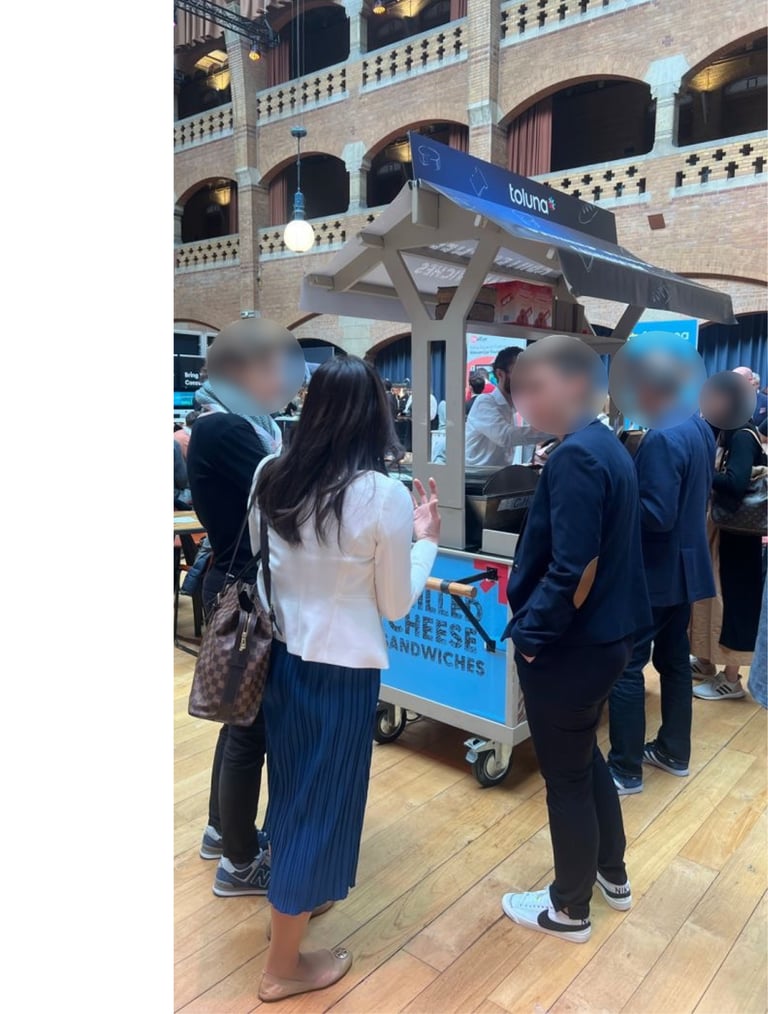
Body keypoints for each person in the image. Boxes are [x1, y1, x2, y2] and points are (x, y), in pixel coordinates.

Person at [252, 355, 440, 1000]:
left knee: (293, 791)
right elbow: (395, 603)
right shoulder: (381, 494)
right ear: (375, 416)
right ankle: (282, 966)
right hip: (343, 670)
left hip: (281, 658)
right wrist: (426, 541)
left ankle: (296, 901)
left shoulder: (271, 473)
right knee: (323, 804)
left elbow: (264, 565)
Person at [500, 336, 651, 944]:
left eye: (535, 388)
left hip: (572, 647)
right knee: (584, 759)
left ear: (575, 384)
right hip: (603, 639)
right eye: (521, 390)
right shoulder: (602, 445)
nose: (526, 401)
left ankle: (569, 909)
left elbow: (574, 569)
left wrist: (531, 637)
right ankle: (612, 874)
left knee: (565, 778)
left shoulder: (577, 457)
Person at [186, 318, 290, 896]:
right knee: (250, 729)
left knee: (239, 718)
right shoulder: (227, 428)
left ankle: (221, 831)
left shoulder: (237, 423)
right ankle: (240, 862)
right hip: (243, 590)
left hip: (237, 581)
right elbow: (284, 495)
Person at [607, 412, 716, 794]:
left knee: (627, 666)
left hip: (654, 572)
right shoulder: (698, 426)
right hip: (683, 567)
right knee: (674, 662)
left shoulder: (662, 437)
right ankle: (673, 751)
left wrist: (616, 496)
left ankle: (624, 769)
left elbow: (656, 514)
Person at [690, 379, 766, 700]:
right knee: (712, 597)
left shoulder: (742, 435)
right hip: (725, 529)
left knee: (734, 601)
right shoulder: (727, 431)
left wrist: (700, 471)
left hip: (739, 534)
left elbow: (735, 484)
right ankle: (707, 659)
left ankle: (732, 679)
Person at [465, 347, 543, 467]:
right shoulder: (485, 402)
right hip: (476, 477)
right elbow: (505, 436)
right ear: (500, 374)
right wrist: (553, 431)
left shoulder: (512, 407)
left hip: (498, 475)